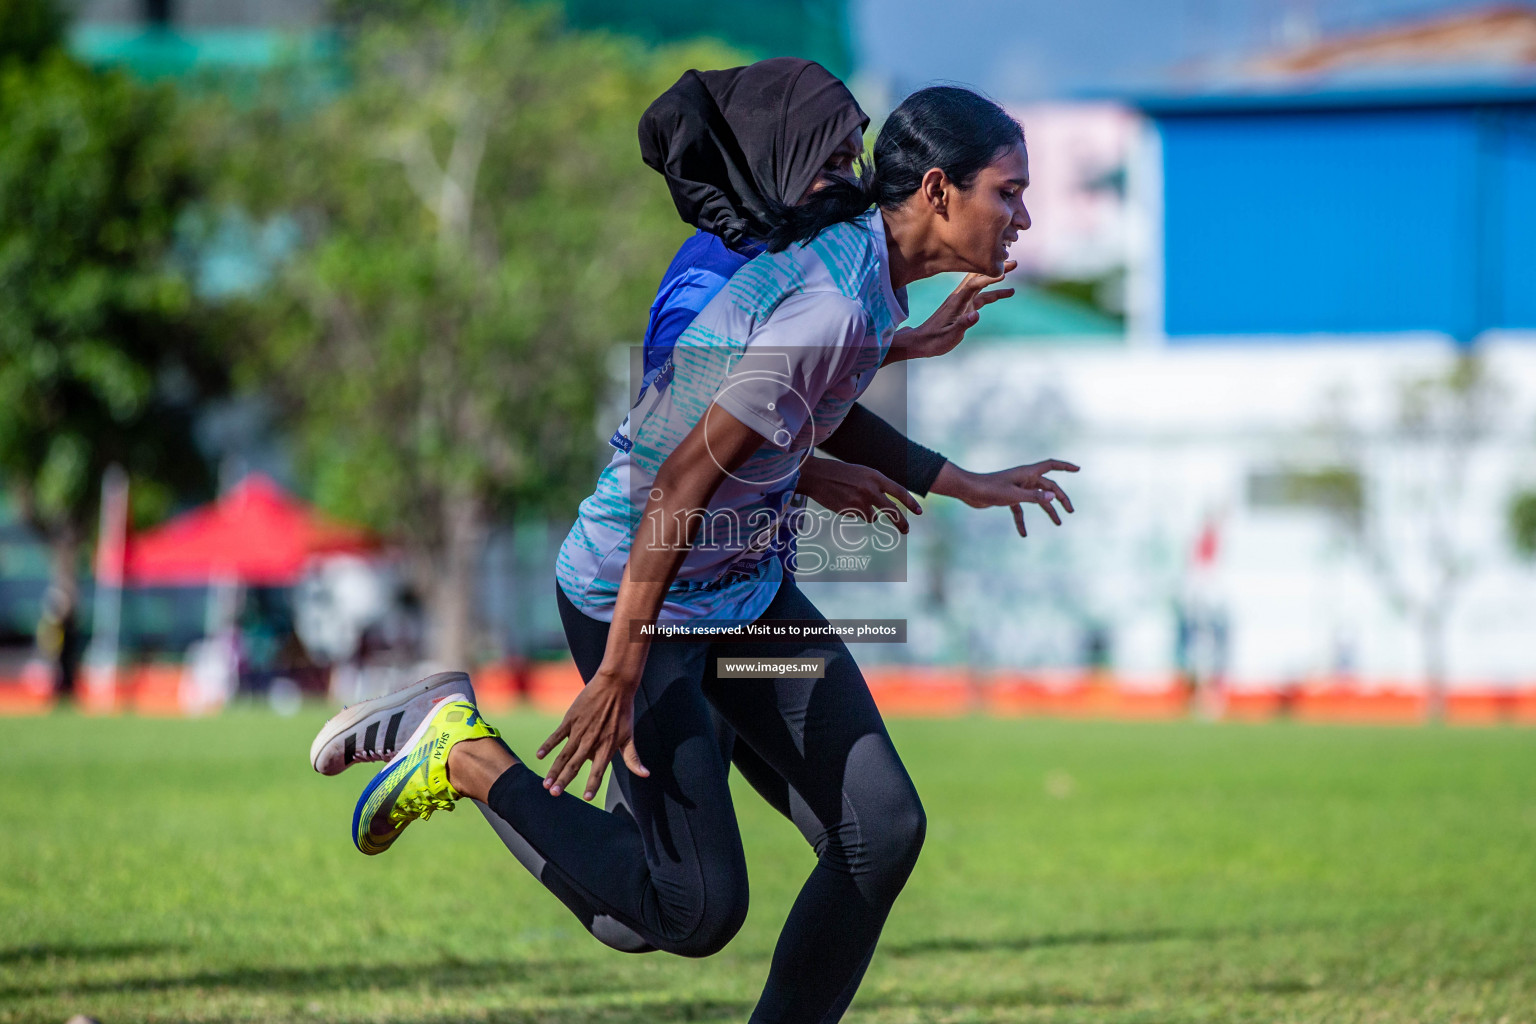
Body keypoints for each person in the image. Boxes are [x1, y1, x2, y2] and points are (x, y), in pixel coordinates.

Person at [316, 85, 1078, 1024]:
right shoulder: (841, 295)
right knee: (692, 909)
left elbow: (819, 391)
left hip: (745, 599)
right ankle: (462, 753)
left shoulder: (867, 285)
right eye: (1010, 192)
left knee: (878, 831)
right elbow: (678, 481)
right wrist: (622, 668)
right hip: (640, 599)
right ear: (937, 191)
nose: (1025, 216)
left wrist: (955, 475)